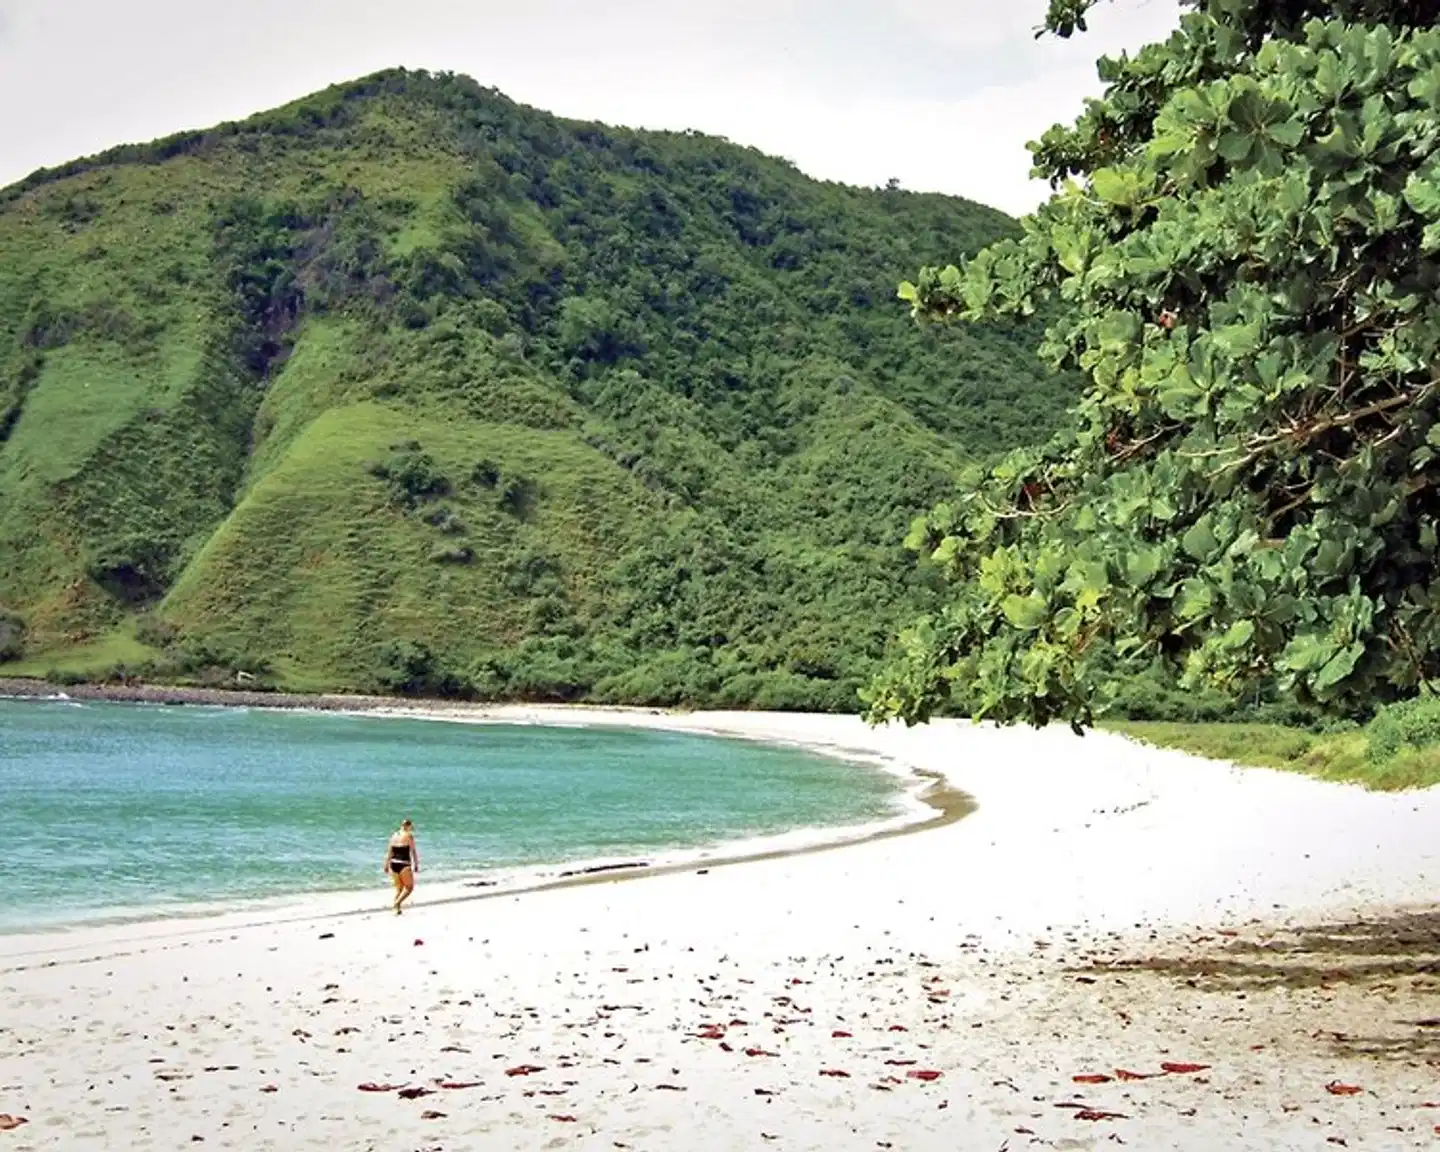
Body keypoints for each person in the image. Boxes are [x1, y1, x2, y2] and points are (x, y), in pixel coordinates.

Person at [383, 819, 420, 914]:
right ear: (408, 826)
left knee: (399, 888)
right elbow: (413, 851)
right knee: (409, 887)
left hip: (393, 863)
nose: (412, 828)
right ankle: (396, 903)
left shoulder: (394, 835)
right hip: (404, 863)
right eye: (411, 826)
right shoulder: (409, 836)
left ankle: (397, 909)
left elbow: (390, 851)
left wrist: (386, 864)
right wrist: (416, 864)